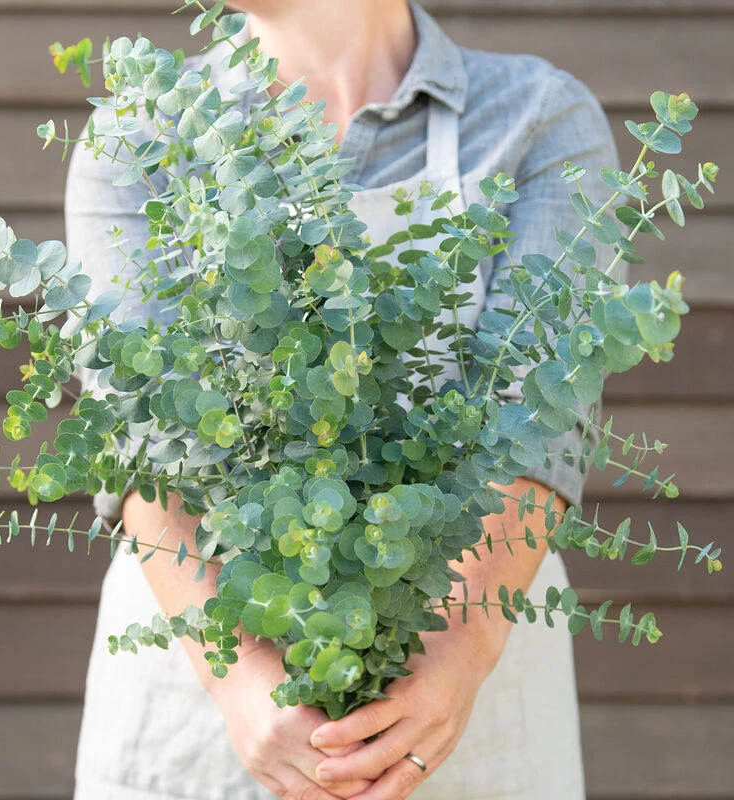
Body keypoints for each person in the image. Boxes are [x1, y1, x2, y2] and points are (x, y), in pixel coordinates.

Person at [65, 1, 621, 797]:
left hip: (465, 689)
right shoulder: (143, 130)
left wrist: (455, 654)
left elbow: (539, 417)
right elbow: (141, 437)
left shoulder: (536, 119)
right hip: (204, 695)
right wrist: (241, 680)